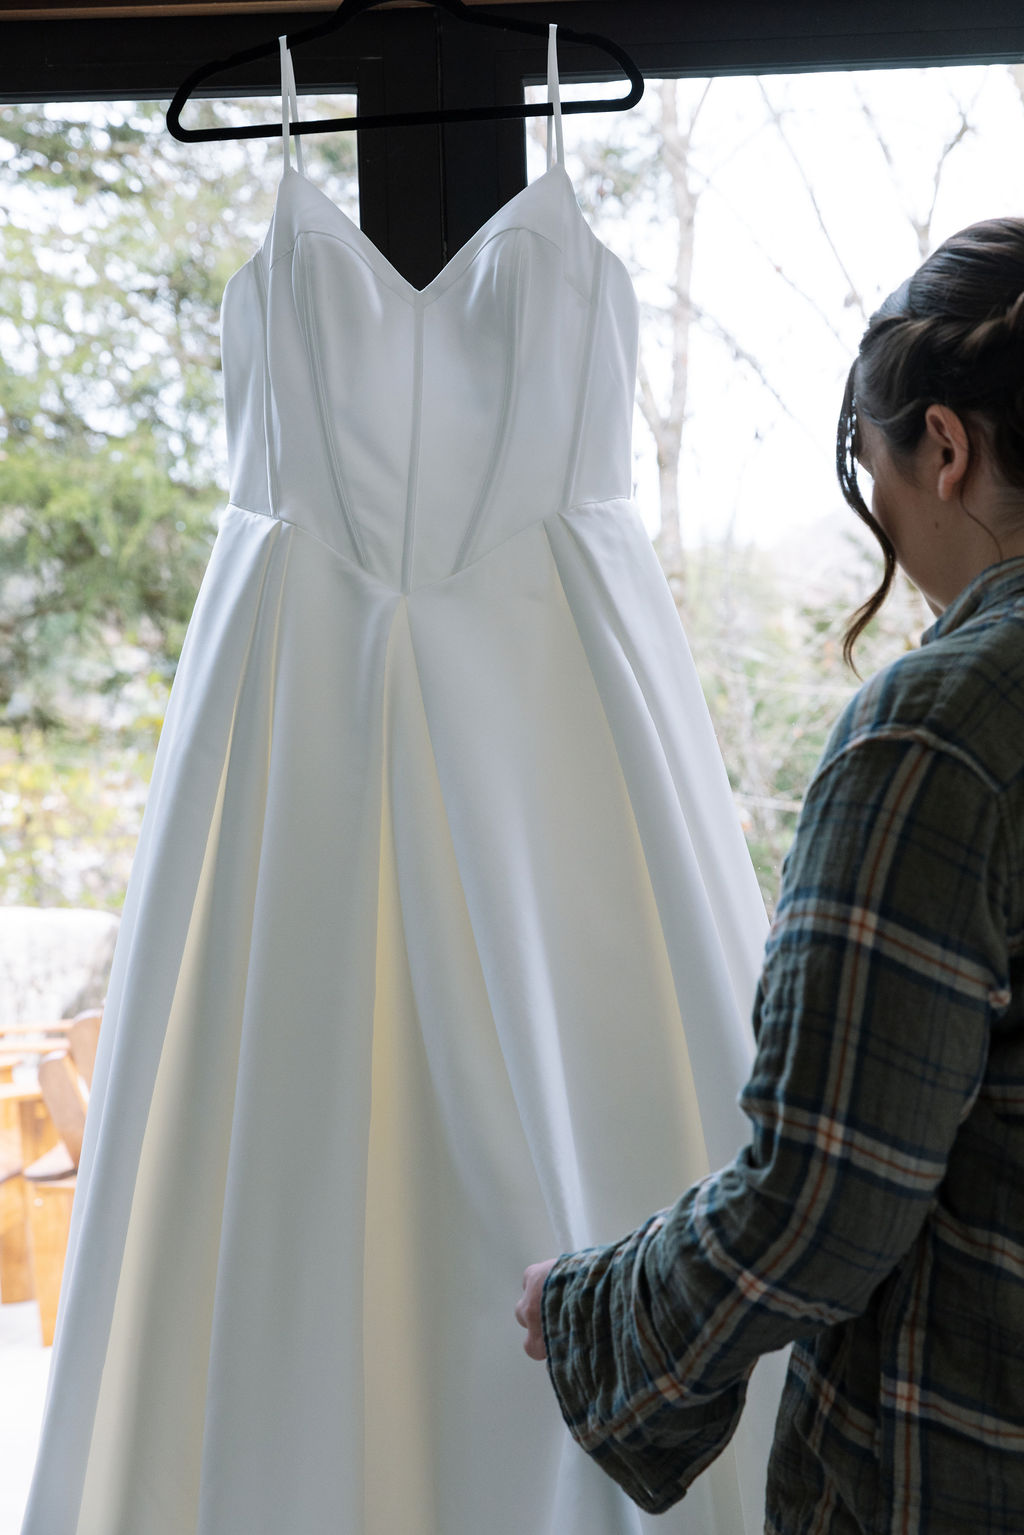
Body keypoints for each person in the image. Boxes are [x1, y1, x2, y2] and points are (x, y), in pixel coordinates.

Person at [515, 217, 1024, 1534]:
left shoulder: (944, 734)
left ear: (949, 447)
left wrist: (593, 1308)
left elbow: (823, 1202)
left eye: (878, 470)